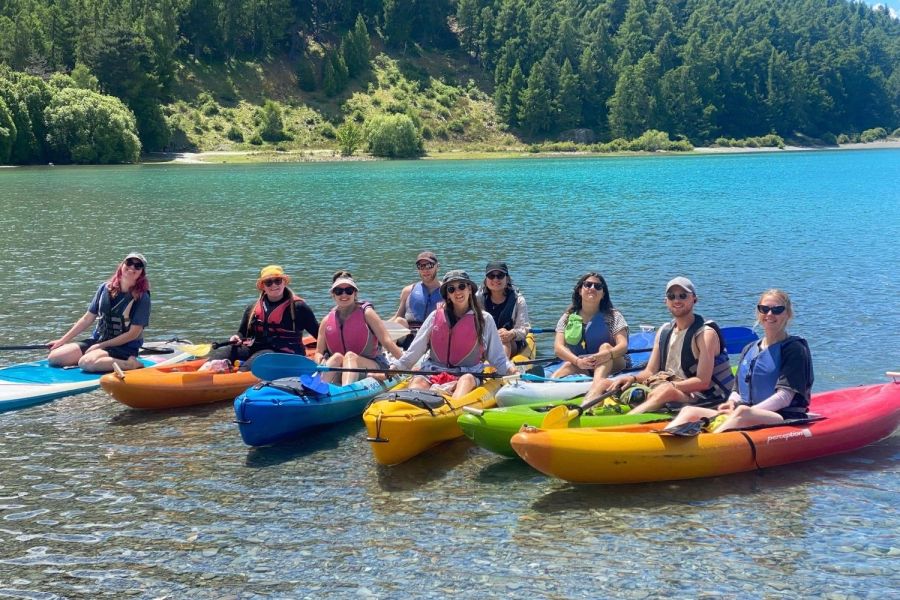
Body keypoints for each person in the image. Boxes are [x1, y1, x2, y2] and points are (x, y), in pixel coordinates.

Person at [662, 289, 813, 433]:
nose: (769, 314)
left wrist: (748, 411)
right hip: (746, 413)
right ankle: (663, 440)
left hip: (782, 416)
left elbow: (785, 398)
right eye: (764, 309)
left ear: (787, 314)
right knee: (689, 410)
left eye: (777, 310)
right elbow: (737, 391)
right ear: (758, 312)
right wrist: (732, 403)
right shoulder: (749, 348)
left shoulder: (795, 350)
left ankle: (711, 443)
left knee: (742, 411)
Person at [391, 270, 519, 399]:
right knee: (418, 381)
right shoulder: (435, 316)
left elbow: (497, 357)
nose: (457, 292)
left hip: (468, 373)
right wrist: (396, 367)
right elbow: (415, 350)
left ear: (469, 289)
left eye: (462, 286)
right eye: (451, 289)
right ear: (448, 295)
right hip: (434, 370)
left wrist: (511, 370)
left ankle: (452, 409)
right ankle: (412, 407)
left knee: (466, 380)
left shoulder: (484, 319)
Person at [622, 277, 735, 414]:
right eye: (671, 296)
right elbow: (650, 372)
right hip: (672, 388)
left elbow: (703, 381)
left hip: (705, 396)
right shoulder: (664, 330)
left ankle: (625, 421)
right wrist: (632, 378)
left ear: (694, 299)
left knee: (667, 391)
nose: (676, 300)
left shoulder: (705, 334)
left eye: (682, 296)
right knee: (609, 383)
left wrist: (670, 386)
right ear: (666, 301)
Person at [48, 252, 152, 373]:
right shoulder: (104, 288)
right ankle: (99, 359)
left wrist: (101, 346)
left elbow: (133, 334)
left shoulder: (142, 298)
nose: (132, 267)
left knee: (86, 363)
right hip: (100, 340)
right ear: (122, 265)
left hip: (124, 347)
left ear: (141, 273)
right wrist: (62, 341)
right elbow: (87, 318)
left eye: (138, 266)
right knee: (55, 358)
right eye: (129, 263)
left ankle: (130, 364)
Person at [208, 265, 319, 371]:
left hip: (286, 353)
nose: (274, 285)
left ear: (284, 282)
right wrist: (237, 337)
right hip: (258, 348)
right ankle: (210, 369)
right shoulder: (253, 308)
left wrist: (325, 355)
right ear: (263, 286)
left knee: (257, 360)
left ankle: (241, 372)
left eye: (278, 281)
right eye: (268, 282)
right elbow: (242, 333)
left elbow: (318, 334)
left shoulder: (298, 307)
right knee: (222, 352)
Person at [314, 271, 403, 386]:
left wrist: (406, 363)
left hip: (372, 365)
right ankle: (316, 387)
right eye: (339, 291)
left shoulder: (367, 313)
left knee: (350, 356)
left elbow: (387, 342)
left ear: (355, 294)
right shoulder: (326, 321)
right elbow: (318, 352)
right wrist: (320, 360)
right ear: (333, 295)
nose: (344, 295)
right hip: (341, 368)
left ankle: (345, 391)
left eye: (349, 291)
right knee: (336, 357)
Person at [552, 272, 630, 401]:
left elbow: (623, 346)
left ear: (603, 293)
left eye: (598, 286)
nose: (592, 288)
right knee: (567, 366)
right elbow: (558, 348)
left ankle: (595, 390)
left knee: (605, 346)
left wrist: (605, 355)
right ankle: (546, 389)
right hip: (584, 364)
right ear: (579, 290)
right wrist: (578, 362)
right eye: (588, 285)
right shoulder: (567, 317)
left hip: (613, 362)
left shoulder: (613, 316)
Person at [475, 261, 531, 358]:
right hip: (486, 339)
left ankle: (502, 368)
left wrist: (511, 333)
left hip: (511, 341)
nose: (495, 279)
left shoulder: (518, 300)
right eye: (491, 276)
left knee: (504, 341)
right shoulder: (478, 298)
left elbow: (524, 328)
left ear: (507, 278)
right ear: (486, 279)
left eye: (500, 275)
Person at [390, 251, 442, 341]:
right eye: (421, 266)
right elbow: (397, 316)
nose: (425, 270)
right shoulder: (408, 291)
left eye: (429, 265)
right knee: (399, 321)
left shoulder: (448, 291)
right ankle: (390, 351)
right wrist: (374, 325)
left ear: (437, 267)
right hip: (409, 337)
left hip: (434, 336)